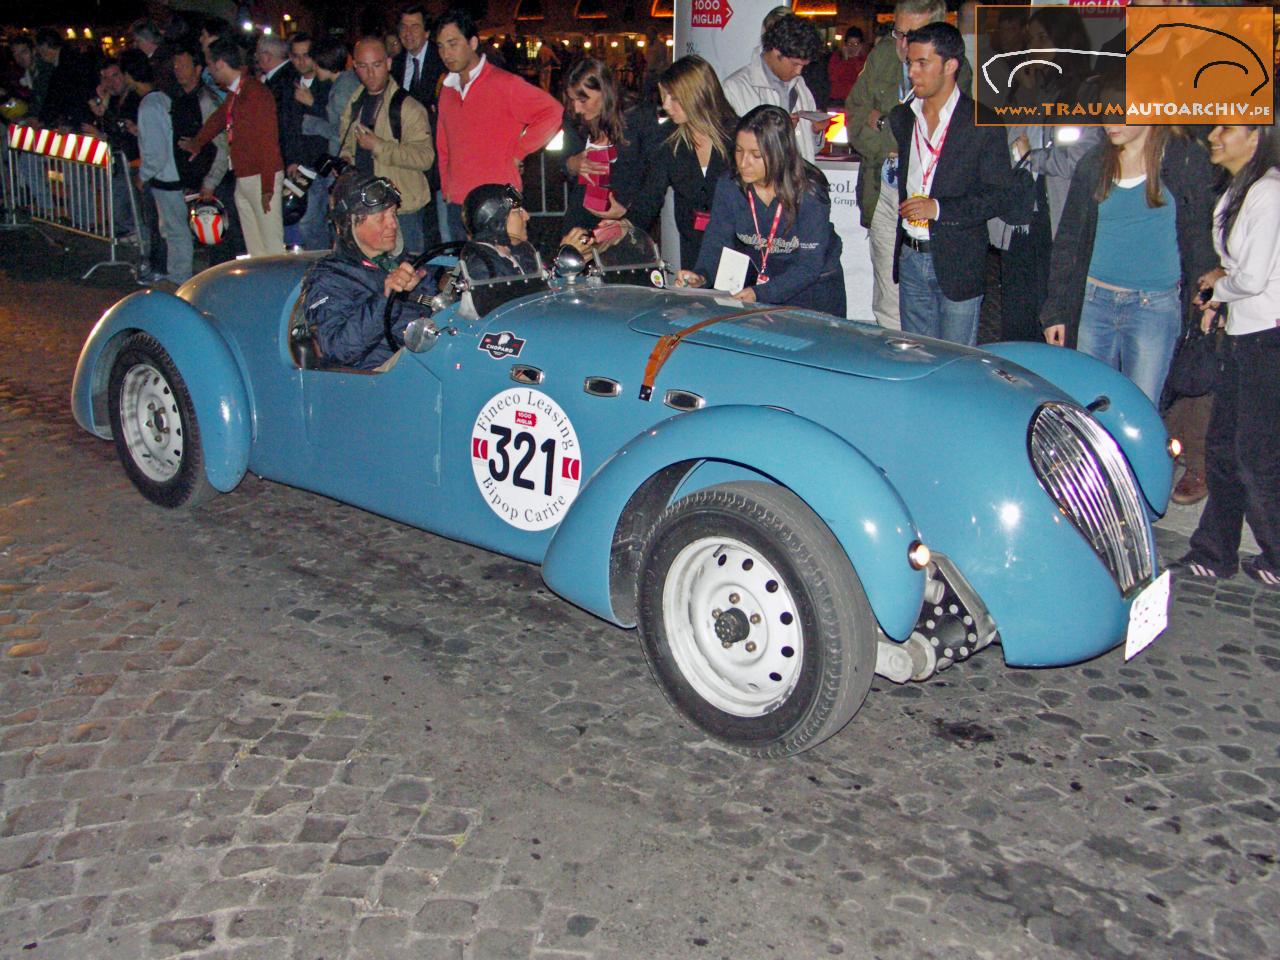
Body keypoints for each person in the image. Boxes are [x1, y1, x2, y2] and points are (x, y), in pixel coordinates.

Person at [1040, 117, 1216, 403]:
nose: (1111, 123)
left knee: (1142, 407)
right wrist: (1055, 310)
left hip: (1153, 306)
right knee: (1090, 404)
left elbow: (1199, 232)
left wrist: (1206, 294)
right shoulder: (1094, 163)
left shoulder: (1181, 159)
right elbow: (1068, 240)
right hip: (1094, 301)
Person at [1173, 126, 1280, 585]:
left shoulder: (1267, 192)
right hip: (1245, 334)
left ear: (1256, 137)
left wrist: (1219, 286)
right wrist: (1221, 284)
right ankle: (1215, 550)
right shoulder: (1243, 188)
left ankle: (1272, 553)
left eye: (1227, 128)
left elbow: (1253, 278)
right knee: (1222, 447)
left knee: (1255, 454)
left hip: (1266, 338)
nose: (1214, 135)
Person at [889, 22, 1023, 346]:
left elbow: (1001, 195)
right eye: (910, 63)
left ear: (950, 66)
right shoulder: (903, 117)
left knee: (957, 362)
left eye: (923, 63)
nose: (913, 73)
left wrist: (938, 208)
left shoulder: (982, 122)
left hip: (958, 260)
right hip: (910, 253)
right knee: (915, 359)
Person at [845, 0, 965, 330]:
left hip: (937, 198)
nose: (902, 44)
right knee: (888, 294)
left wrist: (885, 123)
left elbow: (951, 135)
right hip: (885, 189)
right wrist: (890, 139)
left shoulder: (957, 66)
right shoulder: (883, 56)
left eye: (912, 35)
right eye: (897, 31)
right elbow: (855, 118)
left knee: (941, 297)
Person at [676, 104, 845, 316]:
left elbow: (809, 266)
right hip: (762, 283)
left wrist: (760, 294)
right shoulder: (730, 186)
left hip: (814, 289)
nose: (743, 163)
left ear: (779, 153)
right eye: (739, 151)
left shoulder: (809, 190)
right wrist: (700, 276)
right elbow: (717, 242)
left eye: (756, 155)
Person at [434, 8, 562, 241]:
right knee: (465, 270)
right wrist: (447, 185)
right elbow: (444, 144)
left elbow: (552, 111)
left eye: (452, 44)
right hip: (458, 203)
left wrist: (519, 152)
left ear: (472, 43)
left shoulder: (504, 83)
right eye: (441, 46)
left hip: (499, 202)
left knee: (503, 271)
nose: (446, 53)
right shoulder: (447, 89)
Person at [300, 170, 432, 370]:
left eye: (393, 214)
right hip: (382, 378)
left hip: (428, 360)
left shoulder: (408, 264)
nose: (393, 224)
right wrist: (386, 298)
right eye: (381, 218)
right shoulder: (329, 278)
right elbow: (338, 349)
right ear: (349, 223)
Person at [627, 55, 737, 271]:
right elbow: (650, 196)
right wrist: (623, 226)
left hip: (737, 247)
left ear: (698, 95)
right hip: (693, 246)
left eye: (674, 97)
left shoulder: (738, 136)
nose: (666, 104)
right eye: (664, 96)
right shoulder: (667, 138)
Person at [181, 37, 285, 257]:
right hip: (246, 175)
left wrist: (267, 187)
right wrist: (197, 143)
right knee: (256, 246)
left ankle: (278, 287)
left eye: (210, 65)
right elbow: (219, 119)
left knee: (271, 244)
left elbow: (268, 141)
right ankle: (262, 285)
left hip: (260, 176)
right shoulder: (238, 92)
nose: (209, 72)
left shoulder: (255, 93)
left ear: (220, 64)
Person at [338, 36, 436, 256]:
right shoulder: (356, 102)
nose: (370, 73)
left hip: (402, 209)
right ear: (354, 67)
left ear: (389, 64)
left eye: (376, 65)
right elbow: (346, 144)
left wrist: (379, 146)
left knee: (408, 269)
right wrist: (346, 160)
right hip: (366, 207)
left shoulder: (407, 106)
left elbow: (425, 157)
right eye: (362, 66)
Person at [560, 59, 659, 231]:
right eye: (572, 99)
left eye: (583, 100)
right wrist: (572, 164)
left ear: (604, 92)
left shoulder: (638, 116)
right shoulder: (573, 118)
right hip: (581, 215)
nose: (576, 108)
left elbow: (655, 176)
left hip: (625, 219)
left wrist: (629, 212)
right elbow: (563, 160)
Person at [120, 50, 192, 286]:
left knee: (174, 229)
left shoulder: (149, 105)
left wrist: (144, 174)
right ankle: (177, 273)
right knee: (173, 227)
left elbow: (156, 149)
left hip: (166, 176)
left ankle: (180, 276)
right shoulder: (161, 98)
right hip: (172, 172)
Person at [721, 14, 827, 165]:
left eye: (803, 66)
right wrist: (780, 132)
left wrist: (815, 132)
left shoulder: (800, 86)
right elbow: (733, 151)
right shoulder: (735, 88)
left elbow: (809, 151)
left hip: (798, 185)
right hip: (760, 186)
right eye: (795, 64)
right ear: (776, 53)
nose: (799, 72)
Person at [460, 182, 594, 281]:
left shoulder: (519, 252)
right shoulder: (482, 265)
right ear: (496, 222)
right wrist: (562, 258)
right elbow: (522, 304)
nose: (527, 216)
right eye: (518, 212)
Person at [827, 28, 868, 106]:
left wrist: (855, 58)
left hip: (857, 101)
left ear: (861, 45)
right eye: (850, 44)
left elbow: (862, 77)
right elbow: (833, 77)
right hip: (837, 100)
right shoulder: (837, 57)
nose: (852, 47)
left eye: (856, 44)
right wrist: (845, 60)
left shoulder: (865, 60)